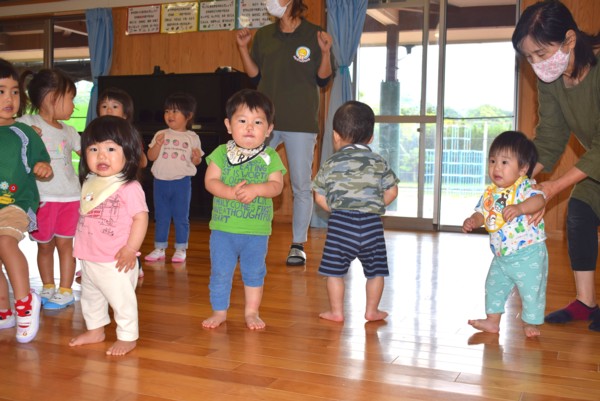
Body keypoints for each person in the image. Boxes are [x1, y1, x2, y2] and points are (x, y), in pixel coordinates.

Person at [512, 0, 600, 331]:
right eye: (529, 58)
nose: (536, 65)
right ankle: (585, 301)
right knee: (580, 210)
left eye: (541, 53)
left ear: (569, 40)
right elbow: (549, 138)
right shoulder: (550, 80)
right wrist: (515, 180)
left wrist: (552, 188)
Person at [236, 0, 333, 266]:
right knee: (253, 178)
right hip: (265, 121)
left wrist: (325, 52)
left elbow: (323, 79)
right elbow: (255, 76)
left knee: (301, 185)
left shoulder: (314, 34)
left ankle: (298, 244)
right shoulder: (264, 35)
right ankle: (250, 238)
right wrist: (243, 48)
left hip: (301, 122)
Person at [202, 89, 286, 330]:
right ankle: (219, 311)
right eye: (242, 121)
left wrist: (257, 189)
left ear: (269, 129)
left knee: (254, 272)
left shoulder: (270, 157)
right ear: (229, 125)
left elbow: (277, 186)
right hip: (223, 230)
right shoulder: (221, 153)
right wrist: (229, 192)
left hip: (256, 231)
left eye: (257, 122)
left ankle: (252, 312)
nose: (249, 127)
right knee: (220, 272)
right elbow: (210, 181)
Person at [312, 101, 399, 323]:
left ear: (335, 136)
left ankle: (336, 312)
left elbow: (318, 195)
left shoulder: (330, 162)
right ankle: (372, 311)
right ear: (371, 137)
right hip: (371, 225)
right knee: (376, 271)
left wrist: (336, 208)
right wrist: (375, 205)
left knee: (334, 272)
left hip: (341, 225)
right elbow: (392, 190)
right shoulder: (378, 161)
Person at [69, 115, 148, 356]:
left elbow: (140, 218)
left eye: (111, 149)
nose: (101, 155)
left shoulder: (129, 187)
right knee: (91, 298)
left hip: (116, 259)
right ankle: (95, 330)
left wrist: (130, 249)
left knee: (122, 300)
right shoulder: (91, 181)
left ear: (129, 153)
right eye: (94, 149)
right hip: (89, 256)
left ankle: (127, 336)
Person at [462, 131, 548, 337]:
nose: (496, 168)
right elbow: (482, 213)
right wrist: (474, 220)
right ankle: (492, 321)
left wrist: (520, 208)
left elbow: (540, 200)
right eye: (492, 161)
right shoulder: (490, 193)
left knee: (531, 291)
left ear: (523, 168)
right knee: (493, 287)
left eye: (504, 162)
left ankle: (531, 323)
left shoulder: (524, 187)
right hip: (501, 256)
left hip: (528, 254)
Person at [17, 68, 80, 310]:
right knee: (44, 246)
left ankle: (65, 290)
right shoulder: (26, 123)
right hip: (42, 198)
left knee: (66, 245)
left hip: (70, 197)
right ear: (52, 97)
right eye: (70, 98)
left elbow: (88, 152)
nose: (73, 106)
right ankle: (48, 286)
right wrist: (24, 135)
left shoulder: (69, 131)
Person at [0, 58, 52, 343]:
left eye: (14, 91)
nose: (9, 98)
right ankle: (4, 310)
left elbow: (43, 163)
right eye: (1, 92)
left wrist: (43, 167)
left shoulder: (24, 132)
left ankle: (25, 302)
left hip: (17, 202)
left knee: (5, 243)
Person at [144, 92, 203, 264]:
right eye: (167, 111)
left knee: (181, 217)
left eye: (175, 111)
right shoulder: (160, 134)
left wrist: (196, 158)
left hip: (181, 183)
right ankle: (160, 248)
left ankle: (180, 249)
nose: (170, 115)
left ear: (188, 116)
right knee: (161, 216)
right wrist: (157, 145)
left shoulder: (192, 137)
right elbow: (150, 156)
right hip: (160, 182)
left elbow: (197, 161)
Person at [97, 87, 148, 279]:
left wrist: (134, 154)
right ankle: (95, 259)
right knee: (103, 227)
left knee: (128, 229)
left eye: (114, 106)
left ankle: (135, 261)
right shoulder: (97, 133)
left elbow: (143, 162)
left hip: (124, 190)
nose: (108, 110)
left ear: (126, 113)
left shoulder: (130, 133)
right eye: (104, 106)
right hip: (103, 191)